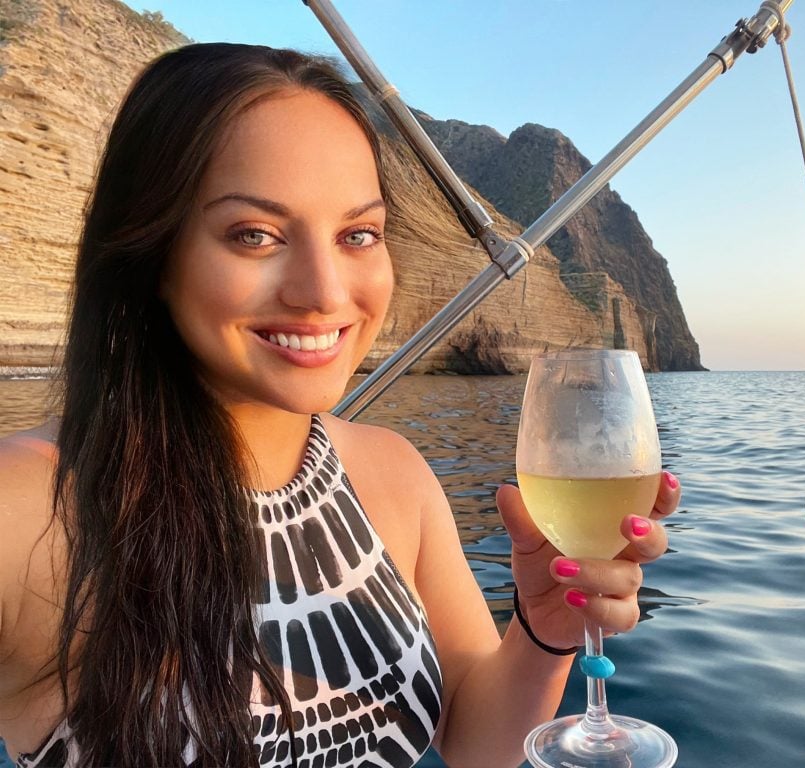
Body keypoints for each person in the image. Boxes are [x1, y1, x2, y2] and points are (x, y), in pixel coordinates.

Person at [0, 43, 680, 768]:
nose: (323, 290)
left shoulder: (394, 473)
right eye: (255, 235)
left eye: (358, 234)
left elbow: (478, 745)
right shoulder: (30, 508)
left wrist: (543, 629)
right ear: (153, 257)